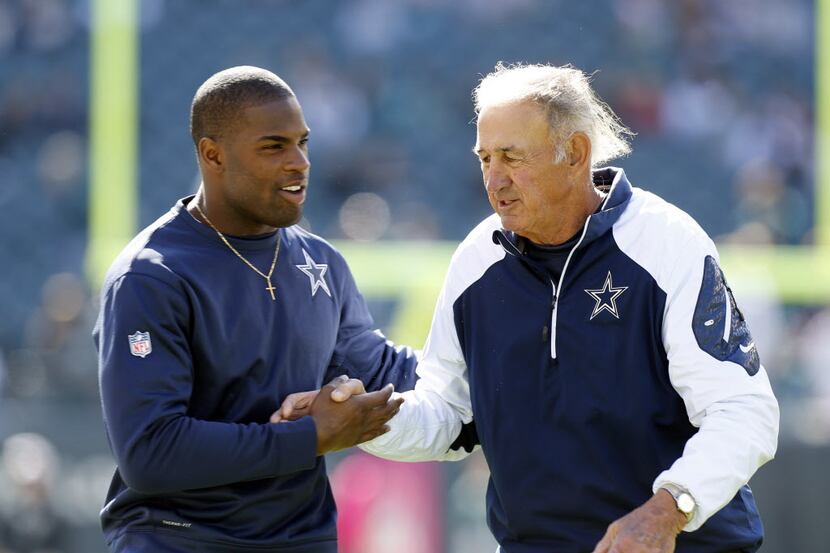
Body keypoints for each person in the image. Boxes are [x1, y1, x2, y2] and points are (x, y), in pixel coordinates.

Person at [355, 63, 780, 552]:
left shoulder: (667, 244)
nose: (494, 180)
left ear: (575, 153)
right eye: (485, 158)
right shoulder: (476, 260)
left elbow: (744, 410)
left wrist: (669, 511)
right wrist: (366, 423)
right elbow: (450, 416)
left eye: (512, 157)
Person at [92, 66, 416, 553]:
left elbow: (387, 372)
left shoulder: (322, 261)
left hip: (300, 538)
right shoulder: (152, 275)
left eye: (303, 143)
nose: (299, 162)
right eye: (274, 147)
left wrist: (500, 365)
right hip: (179, 539)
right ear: (213, 154)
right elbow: (151, 452)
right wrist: (309, 437)